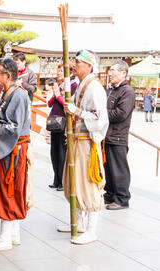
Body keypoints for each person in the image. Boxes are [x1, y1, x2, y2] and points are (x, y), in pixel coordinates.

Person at [57, 49, 109, 245]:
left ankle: (92, 229)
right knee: (74, 182)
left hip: (87, 142)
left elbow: (101, 120)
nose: (74, 65)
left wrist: (77, 111)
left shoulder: (95, 87)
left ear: (89, 65)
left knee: (88, 184)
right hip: (77, 140)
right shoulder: (80, 85)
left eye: (78, 62)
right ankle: (78, 222)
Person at [0, 58, 31, 252]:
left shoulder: (18, 95)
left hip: (12, 149)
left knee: (8, 190)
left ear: (8, 75)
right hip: (10, 148)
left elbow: (12, 127)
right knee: (10, 190)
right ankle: (12, 233)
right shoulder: (7, 94)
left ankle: (6, 237)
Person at [103, 59, 136, 210]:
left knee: (119, 168)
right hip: (107, 135)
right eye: (110, 71)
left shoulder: (127, 91)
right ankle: (110, 195)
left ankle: (122, 199)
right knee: (108, 168)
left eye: (113, 71)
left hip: (118, 136)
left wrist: (101, 113)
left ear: (123, 73)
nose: (110, 74)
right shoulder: (110, 89)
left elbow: (121, 114)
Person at [47, 63, 78, 191]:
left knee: (61, 152)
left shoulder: (73, 85)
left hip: (64, 122)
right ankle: (56, 179)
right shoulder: (59, 85)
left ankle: (62, 181)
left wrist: (58, 95)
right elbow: (49, 104)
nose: (59, 73)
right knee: (53, 152)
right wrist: (55, 94)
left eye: (61, 71)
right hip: (54, 121)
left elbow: (68, 105)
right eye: (58, 71)